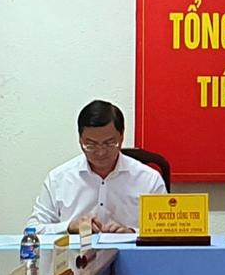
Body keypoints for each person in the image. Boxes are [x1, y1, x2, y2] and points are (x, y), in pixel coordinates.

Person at [26, 100, 166, 234]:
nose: (100, 152)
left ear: (122, 136)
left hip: (130, 252)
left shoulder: (149, 180)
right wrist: (69, 227)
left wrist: (132, 233)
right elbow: (33, 229)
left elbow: (165, 233)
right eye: (91, 144)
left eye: (109, 143)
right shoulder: (58, 179)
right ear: (80, 139)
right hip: (76, 251)